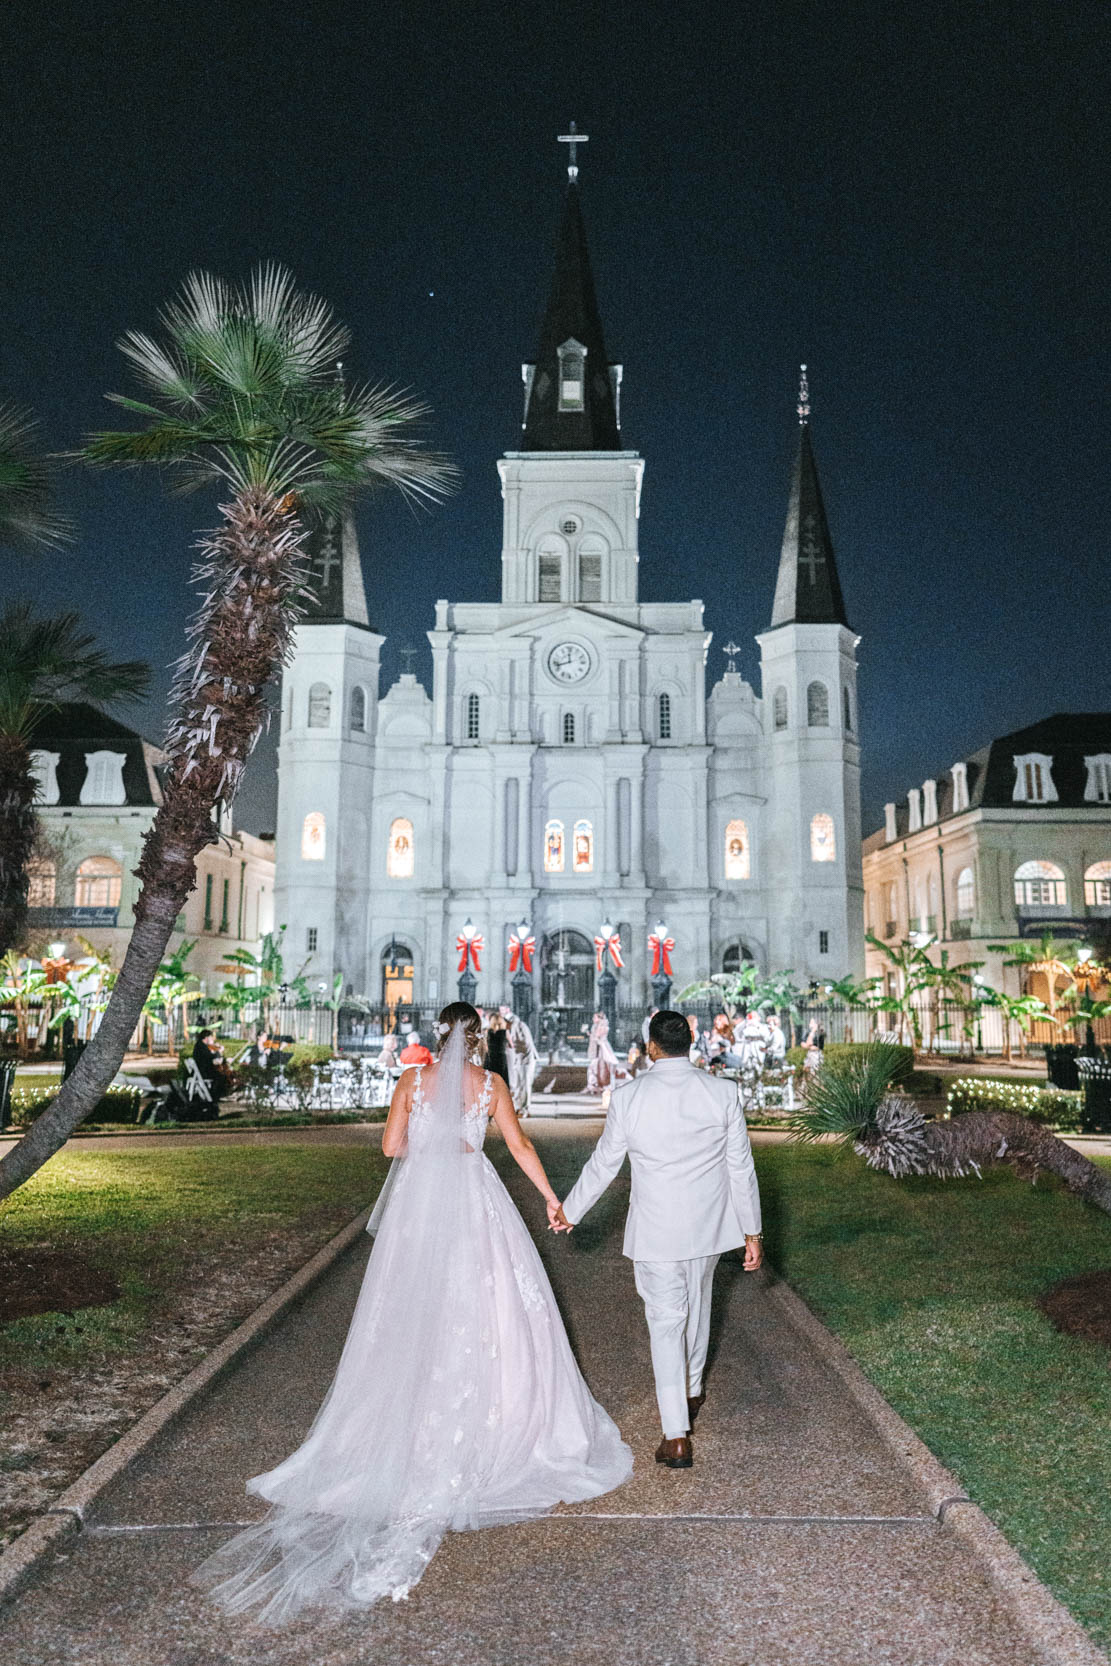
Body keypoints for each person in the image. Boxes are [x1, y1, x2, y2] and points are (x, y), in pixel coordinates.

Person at [193, 1003, 631, 1622]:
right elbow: (521, 1144)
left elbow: (390, 1146)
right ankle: (501, 1423)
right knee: (491, 1306)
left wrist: (429, 1150)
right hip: (478, 1200)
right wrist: (553, 1200)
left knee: (406, 1307)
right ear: (477, 1040)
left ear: (437, 1037)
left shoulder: (411, 1082)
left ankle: (397, 1420)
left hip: (420, 1208)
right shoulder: (493, 1085)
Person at [553, 1009, 763, 1471]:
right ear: (690, 1041)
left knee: (667, 1324)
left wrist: (571, 1209)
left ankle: (676, 1435)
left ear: (651, 1047)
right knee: (699, 1310)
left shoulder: (629, 1097)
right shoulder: (722, 1092)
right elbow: (740, 1168)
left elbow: (605, 1163)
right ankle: (690, 1392)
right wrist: (752, 1231)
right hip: (709, 1229)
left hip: (655, 1231)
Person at [500, 1005, 539, 1116]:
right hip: (519, 1058)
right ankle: (518, 1106)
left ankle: (525, 1108)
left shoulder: (521, 1026)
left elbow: (527, 1044)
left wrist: (512, 1043)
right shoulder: (510, 1029)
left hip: (527, 1058)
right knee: (517, 1084)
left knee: (525, 1084)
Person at [192, 1028, 231, 1102]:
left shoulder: (201, 1045)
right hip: (203, 1072)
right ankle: (216, 1096)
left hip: (203, 1070)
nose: (213, 1040)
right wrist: (218, 1051)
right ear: (206, 1038)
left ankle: (217, 1095)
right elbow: (210, 1057)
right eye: (211, 1038)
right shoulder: (201, 1047)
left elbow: (211, 1057)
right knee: (221, 1076)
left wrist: (216, 1052)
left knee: (222, 1074)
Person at [586, 1010, 618, 1094]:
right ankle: (595, 1083)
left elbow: (597, 1036)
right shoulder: (596, 1025)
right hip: (597, 1046)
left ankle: (602, 1083)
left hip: (601, 1047)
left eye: (595, 1017)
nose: (593, 1019)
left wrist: (590, 1035)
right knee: (595, 1065)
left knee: (602, 1065)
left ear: (599, 1018)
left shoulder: (602, 1025)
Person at [484, 1010, 511, 1085]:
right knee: (502, 1080)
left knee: (490, 1081)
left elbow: (486, 1047)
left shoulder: (487, 1031)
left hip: (490, 1058)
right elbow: (511, 1045)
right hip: (501, 1058)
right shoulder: (505, 1032)